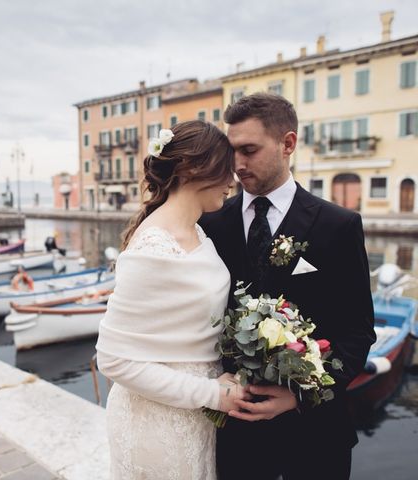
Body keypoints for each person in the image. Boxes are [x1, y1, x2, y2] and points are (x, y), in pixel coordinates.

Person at [199, 93, 376, 480]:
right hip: (235, 435)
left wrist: (298, 397)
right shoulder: (210, 224)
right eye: (232, 152)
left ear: (288, 144)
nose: (237, 165)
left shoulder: (339, 226)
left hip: (317, 436)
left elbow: (358, 332)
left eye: (249, 150)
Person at [96, 120, 249, 479]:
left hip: (193, 416)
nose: (233, 180)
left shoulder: (196, 230)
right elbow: (113, 360)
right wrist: (210, 393)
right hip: (157, 422)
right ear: (194, 169)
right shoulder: (153, 246)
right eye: (226, 168)